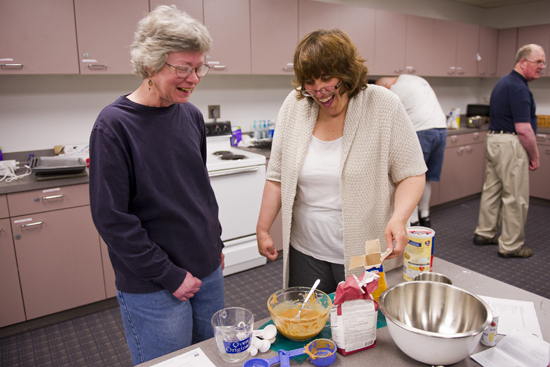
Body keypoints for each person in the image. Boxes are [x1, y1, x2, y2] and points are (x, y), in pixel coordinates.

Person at [89, 6, 225, 365]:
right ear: (150, 65)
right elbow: (112, 219)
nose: (194, 78)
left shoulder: (191, 116)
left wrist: (215, 243)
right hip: (154, 284)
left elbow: (197, 192)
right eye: (183, 68)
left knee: (212, 357)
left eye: (199, 68)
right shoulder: (114, 125)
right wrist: (169, 275)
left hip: (207, 269)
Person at [256, 29, 426, 294]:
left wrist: (399, 218)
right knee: (309, 322)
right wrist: (263, 227)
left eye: (327, 79)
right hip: (305, 250)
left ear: (347, 73)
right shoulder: (295, 105)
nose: (318, 91)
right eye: (309, 82)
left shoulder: (383, 104)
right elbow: (277, 176)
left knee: (360, 325)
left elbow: (412, 174)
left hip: (366, 250)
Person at [473, 44, 546, 258]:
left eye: (544, 62)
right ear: (523, 62)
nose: (542, 66)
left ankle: (484, 232)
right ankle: (511, 245)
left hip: (494, 140)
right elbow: (523, 129)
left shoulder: (504, 82)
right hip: (510, 144)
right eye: (538, 62)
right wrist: (535, 155)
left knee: (492, 190)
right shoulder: (519, 88)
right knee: (515, 196)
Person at [375, 75, 447, 228]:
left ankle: (413, 220)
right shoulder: (414, 79)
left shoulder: (394, 90)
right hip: (441, 129)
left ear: (385, 87)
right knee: (425, 177)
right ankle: (425, 216)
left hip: (421, 131)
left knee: (409, 177)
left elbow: (384, 115)